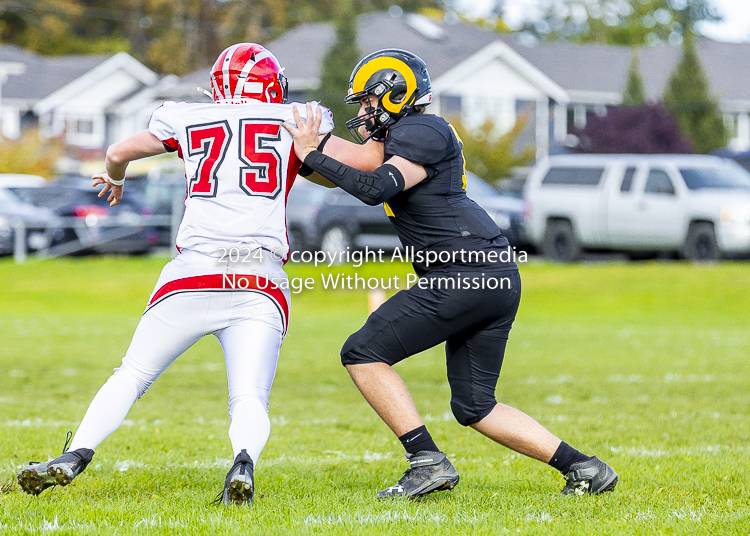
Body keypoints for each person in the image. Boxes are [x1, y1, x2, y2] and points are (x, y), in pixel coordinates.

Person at [16, 43, 344, 506]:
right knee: (248, 396)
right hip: (259, 276)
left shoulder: (187, 117)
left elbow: (116, 151)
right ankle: (244, 461)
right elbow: (332, 171)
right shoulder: (297, 118)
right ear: (272, 84)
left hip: (192, 270)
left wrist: (115, 176)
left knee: (131, 374)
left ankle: (75, 455)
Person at [283, 48, 618, 499]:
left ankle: (426, 461)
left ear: (394, 95)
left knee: (362, 352)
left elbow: (375, 187)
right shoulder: (407, 133)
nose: (362, 112)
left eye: (367, 101)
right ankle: (584, 468)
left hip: (463, 272)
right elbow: (350, 167)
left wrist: (312, 152)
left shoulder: (423, 128)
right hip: (490, 274)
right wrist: (301, 148)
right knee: (475, 405)